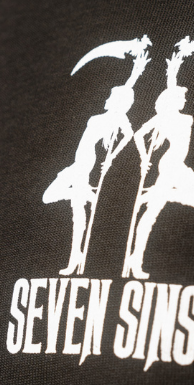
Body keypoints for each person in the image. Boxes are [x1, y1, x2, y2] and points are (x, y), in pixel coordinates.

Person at [43, 84, 134, 275]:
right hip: (78, 164)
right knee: (53, 198)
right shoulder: (100, 117)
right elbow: (127, 87)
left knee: (75, 212)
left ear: (119, 102)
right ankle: (87, 198)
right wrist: (134, 74)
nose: (108, 98)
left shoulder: (118, 118)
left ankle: (75, 256)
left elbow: (129, 135)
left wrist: (112, 156)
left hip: (85, 165)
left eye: (112, 96)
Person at [124, 84, 194, 279]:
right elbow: (138, 134)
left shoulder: (184, 118)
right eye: (181, 98)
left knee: (192, 198)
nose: (185, 101)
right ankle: (136, 260)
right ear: (172, 100)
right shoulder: (168, 118)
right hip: (170, 165)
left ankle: (154, 195)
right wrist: (144, 158)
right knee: (153, 213)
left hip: (176, 164)